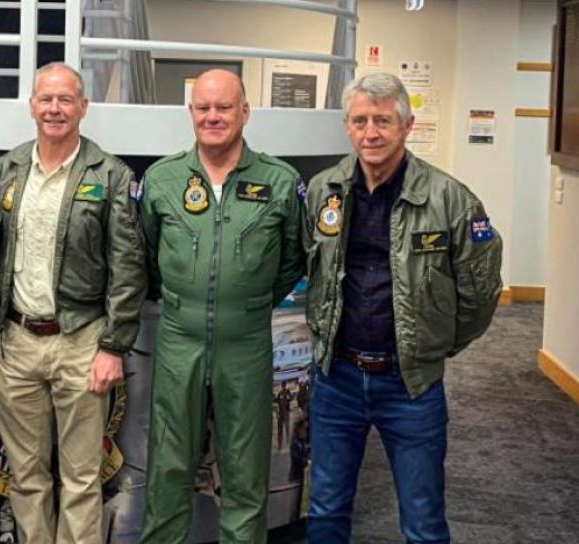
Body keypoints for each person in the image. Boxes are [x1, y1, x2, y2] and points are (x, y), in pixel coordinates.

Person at [304, 72, 503, 543]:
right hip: (337, 380)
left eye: (382, 121)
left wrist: (435, 346)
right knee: (327, 509)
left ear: (406, 126)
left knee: (423, 518)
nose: (370, 133)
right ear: (347, 127)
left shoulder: (450, 199)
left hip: (410, 385)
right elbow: (306, 265)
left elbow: (481, 291)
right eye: (359, 121)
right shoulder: (323, 190)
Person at [0, 62, 146, 544]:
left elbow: (128, 268)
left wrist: (112, 345)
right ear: (32, 106)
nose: (54, 108)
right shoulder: (4, 170)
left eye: (65, 99)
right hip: (17, 341)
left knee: (81, 477)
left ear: (82, 107)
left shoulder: (109, 174)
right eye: (45, 99)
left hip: (82, 342)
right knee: (26, 476)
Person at [137, 68, 305, 544]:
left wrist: (248, 303)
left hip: (246, 344)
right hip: (178, 342)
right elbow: (145, 256)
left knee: (245, 475)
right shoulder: (163, 179)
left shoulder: (278, 180)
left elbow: (292, 259)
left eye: (224, 107)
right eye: (204, 108)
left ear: (245, 112)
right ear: (191, 113)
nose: (213, 117)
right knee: (167, 469)